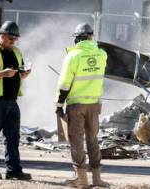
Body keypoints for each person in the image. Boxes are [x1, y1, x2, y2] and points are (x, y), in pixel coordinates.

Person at [56, 23, 108, 188]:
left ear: (78, 38)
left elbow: (64, 84)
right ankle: (97, 179)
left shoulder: (72, 56)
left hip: (76, 105)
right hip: (94, 104)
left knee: (77, 141)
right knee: (92, 139)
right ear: (91, 37)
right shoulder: (102, 54)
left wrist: (58, 104)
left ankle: (81, 180)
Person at [0, 21, 32, 180]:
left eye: (15, 38)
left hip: (11, 101)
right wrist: (3, 73)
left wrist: (26, 73)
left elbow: (18, 74)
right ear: (2, 35)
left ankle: (13, 171)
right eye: (11, 38)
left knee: (13, 138)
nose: (13, 41)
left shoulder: (16, 52)